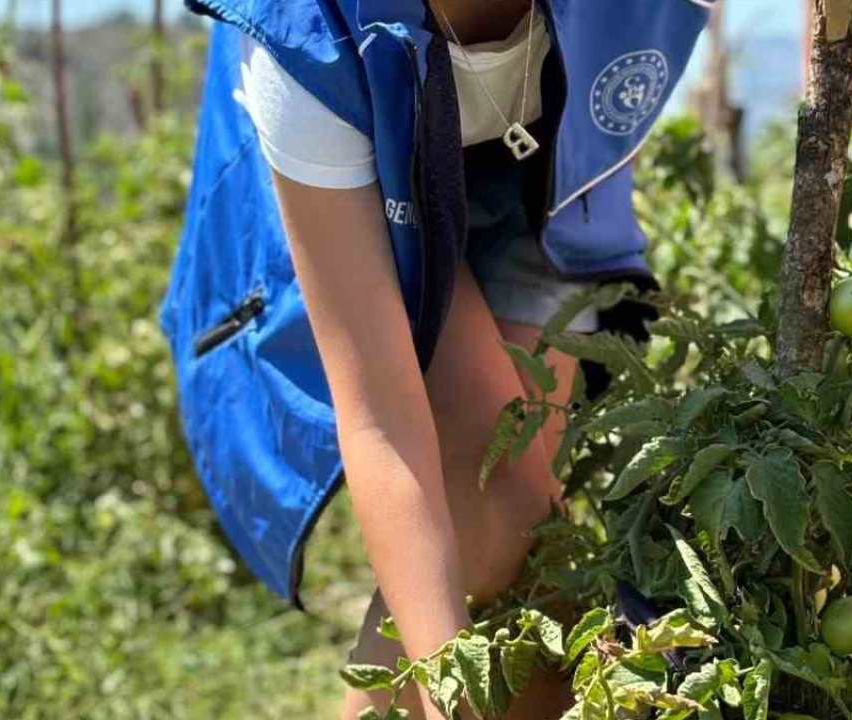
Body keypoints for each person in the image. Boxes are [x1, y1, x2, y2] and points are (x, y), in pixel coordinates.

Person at [161, 1, 713, 717]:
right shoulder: (313, 40)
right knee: (507, 505)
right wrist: (455, 691)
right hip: (367, 139)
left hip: (542, 165)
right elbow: (381, 418)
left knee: (513, 542)